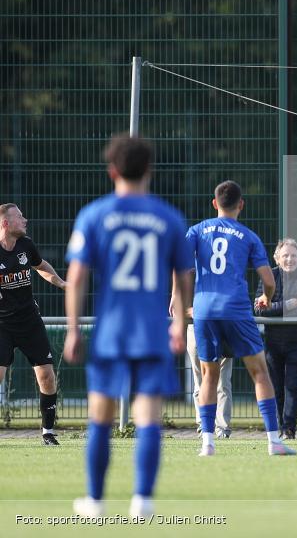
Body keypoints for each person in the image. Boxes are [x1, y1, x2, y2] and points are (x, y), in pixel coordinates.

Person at [63, 134, 194, 519]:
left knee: (100, 416)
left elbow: (77, 277)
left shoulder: (94, 215)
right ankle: (143, 501)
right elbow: (185, 276)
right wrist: (179, 322)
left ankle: (95, 501)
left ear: (112, 170)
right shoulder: (168, 217)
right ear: (149, 171)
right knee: (149, 416)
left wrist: (72, 329)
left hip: (111, 332)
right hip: (152, 331)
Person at [183, 180, 295, 456]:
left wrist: (185, 304)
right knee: (259, 372)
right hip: (235, 309)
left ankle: (207, 442)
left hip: (205, 310)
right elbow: (268, 280)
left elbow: (182, 271)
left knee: (209, 375)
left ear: (214, 203)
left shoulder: (196, 231)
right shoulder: (248, 236)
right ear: (241, 204)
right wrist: (267, 297)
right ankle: (273, 441)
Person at [0, 203, 67, 445]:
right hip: (2, 325)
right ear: (6, 223)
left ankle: (48, 432)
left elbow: (40, 266)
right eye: (19, 217)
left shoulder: (26, 246)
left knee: (47, 377)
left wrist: (60, 282)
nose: (25, 220)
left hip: (29, 322)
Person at [254, 238, 297, 440]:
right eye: (285, 255)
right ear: (277, 258)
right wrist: (289, 305)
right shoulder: (269, 277)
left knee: (292, 385)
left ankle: (288, 430)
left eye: (293, 255)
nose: (289, 259)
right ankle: (276, 430)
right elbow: (257, 308)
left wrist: (274, 309)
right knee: (275, 387)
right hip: (273, 342)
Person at [185, 324, 233, 438]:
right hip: (197, 327)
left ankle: (222, 428)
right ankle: (204, 426)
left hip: (223, 326)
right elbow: (178, 310)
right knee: (200, 382)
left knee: (223, 382)